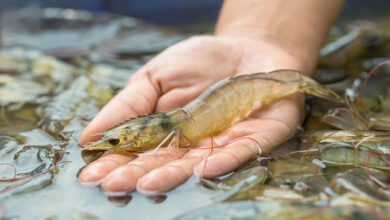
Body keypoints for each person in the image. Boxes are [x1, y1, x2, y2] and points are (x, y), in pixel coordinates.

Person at [78, 0, 345, 195]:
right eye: (116, 140)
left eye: (116, 140)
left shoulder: (171, 129)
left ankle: (316, 92)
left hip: (242, 91)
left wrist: (270, 40)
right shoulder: (160, 125)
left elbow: (172, 137)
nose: (111, 143)